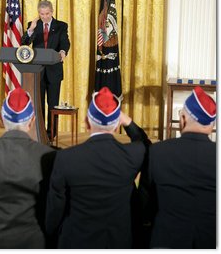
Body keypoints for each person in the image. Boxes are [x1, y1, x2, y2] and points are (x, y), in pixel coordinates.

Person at [45, 86, 151, 249]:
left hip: (76, 241)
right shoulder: (132, 155)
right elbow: (146, 146)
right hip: (119, 242)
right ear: (117, 126)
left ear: (87, 123)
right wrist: (127, 121)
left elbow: (55, 209)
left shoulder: (66, 158)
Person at [0, 87, 57, 249]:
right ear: (32, 121)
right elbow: (53, 208)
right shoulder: (49, 156)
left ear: (2, 119)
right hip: (34, 242)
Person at [144, 86, 216, 249]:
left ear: (182, 119)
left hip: (167, 242)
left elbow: (147, 202)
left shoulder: (158, 152)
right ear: (211, 126)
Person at [21, 0, 70, 140]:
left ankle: (51, 134)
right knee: (39, 103)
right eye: (42, 14)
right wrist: (31, 29)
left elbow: (65, 42)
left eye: (47, 13)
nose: (45, 16)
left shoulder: (61, 26)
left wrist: (62, 51)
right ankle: (39, 132)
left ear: (52, 11)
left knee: (53, 104)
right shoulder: (34, 25)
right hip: (38, 71)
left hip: (54, 71)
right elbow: (24, 43)